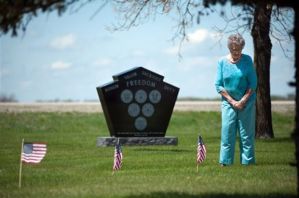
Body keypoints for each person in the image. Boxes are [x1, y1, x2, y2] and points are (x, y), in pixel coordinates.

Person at [215, 33, 257, 166]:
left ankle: (248, 164)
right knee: (227, 133)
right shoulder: (222, 62)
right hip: (228, 103)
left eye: (238, 49)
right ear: (229, 48)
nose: (236, 52)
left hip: (247, 102)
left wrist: (243, 101)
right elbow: (218, 85)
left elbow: (253, 84)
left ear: (242, 48)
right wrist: (232, 101)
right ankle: (225, 163)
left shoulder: (247, 60)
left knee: (246, 135)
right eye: (233, 49)